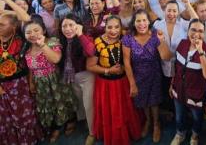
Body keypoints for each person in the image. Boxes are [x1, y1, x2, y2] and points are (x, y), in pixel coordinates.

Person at [86, 16, 141, 145]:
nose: (113, 30)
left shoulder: (125, 38)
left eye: (116, 27)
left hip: (123, 83)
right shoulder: (98, 42)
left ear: (121, 27)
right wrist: (108, 71)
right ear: (104, 28)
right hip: (105, 85)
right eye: (109, 27)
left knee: (125, 111)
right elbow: (90, 66)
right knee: (110, 112)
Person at [23, 19, 77, 142]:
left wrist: (42, 45)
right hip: (40, 82)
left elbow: (56, 59)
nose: (32, 34)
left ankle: (70, 120)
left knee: (63, 101)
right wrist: (31, 82)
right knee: (49, 104)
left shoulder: (52, 42)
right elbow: (31, 68)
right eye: (28, 32)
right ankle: (56, 126)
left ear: (44, 30)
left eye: (36, 30)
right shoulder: (26, 48)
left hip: (55, 79)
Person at [122, 9, 171, 143]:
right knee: (142, 101)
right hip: (137, 76)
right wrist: (132, 83)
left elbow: (167, 57)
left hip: (154, 74)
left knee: (154, 102)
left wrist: (162, 42)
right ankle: (148, 121)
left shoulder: (156, 35)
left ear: (149, 22)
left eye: (144, 20)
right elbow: (126, 62)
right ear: (134, 22)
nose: (142, 23)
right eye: (138, 20)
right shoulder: (128, 38)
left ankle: (156, 124)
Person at [170, 19, 206, 145]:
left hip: (197, 94)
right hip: (178, 89)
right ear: (188, 31)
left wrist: (200, 51)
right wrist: (172, 83)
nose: (196, 33)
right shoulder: (182, 44)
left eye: (200, 31)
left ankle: (195, 135)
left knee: (197, 118)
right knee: (179, 116)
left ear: (204, 34)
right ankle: (180, 133)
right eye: (193, 30)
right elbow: (177, 67)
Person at [0, 13, 43, 144]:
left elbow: (27, 18)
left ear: (14, 27)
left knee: (25, 114)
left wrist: (30, 82)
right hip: (2, 87)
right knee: (6, 117)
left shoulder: (21, 40)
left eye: (2, 24)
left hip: (21, 84)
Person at [59, 14, 96, 145]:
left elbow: (91, 52)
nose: (68, 29)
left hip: (87, 76)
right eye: (64, 26)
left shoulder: (85, 37)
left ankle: (92, 133)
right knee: (80, 104)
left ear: (78, 26)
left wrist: (80, 34)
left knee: (89, 105)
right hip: (72, 77)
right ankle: (87, 122)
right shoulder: (61, 41)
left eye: (71, 25)